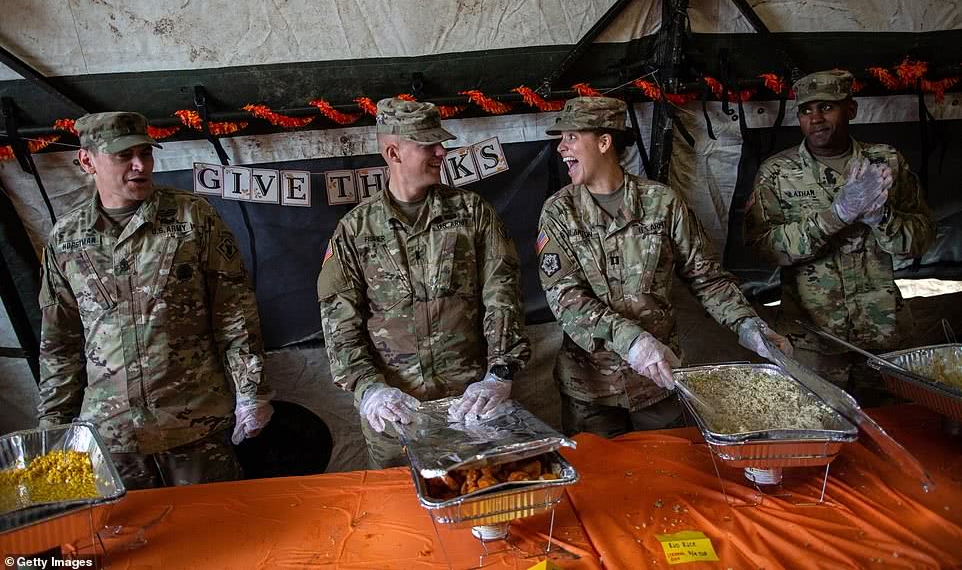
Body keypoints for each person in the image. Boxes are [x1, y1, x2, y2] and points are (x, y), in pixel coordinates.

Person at [37, 111, 273, 489]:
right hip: (111, 435)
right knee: (126, 539)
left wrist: (251, 391)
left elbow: (234, 311)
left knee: (219, 534)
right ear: (86, 161)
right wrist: (53, 424)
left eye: (145, 153)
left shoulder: (192, 217)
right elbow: (59, 341)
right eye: (123, 156)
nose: (139, 165)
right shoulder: (66, 238)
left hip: (192, 425)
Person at [537, 96, 792, 438]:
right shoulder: (558, 212)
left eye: (570, 137)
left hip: (657, 385)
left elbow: (708, 279)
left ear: (603, 141)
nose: (561, 148)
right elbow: (565, 298)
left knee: (669, 475)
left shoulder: (663, 203)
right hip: (590, 391)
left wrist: (748, 325)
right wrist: (632, 342)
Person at [317, 98, 530, 468]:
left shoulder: (472, 213)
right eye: (428, 144)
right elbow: (340, 327)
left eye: (440, 142)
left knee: (477, 505)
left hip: (471, 408)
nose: (441, 152)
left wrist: (500, 372)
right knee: (398, 518)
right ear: (393, 152)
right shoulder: (355, 231)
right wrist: (370, 389)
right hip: (396, 420)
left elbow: (503, 297)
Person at [744, 69, 936, 403]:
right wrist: (834, 217)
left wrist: (881, 217)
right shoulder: (777, 172)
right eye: (806, 110)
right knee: (816, 435)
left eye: (826, 107)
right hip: (811, 343)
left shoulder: (885, 162)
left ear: (851, 110)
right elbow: (764, 248)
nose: (815, 119)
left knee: (891, 432)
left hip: (882, 336)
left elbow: (918, 240)